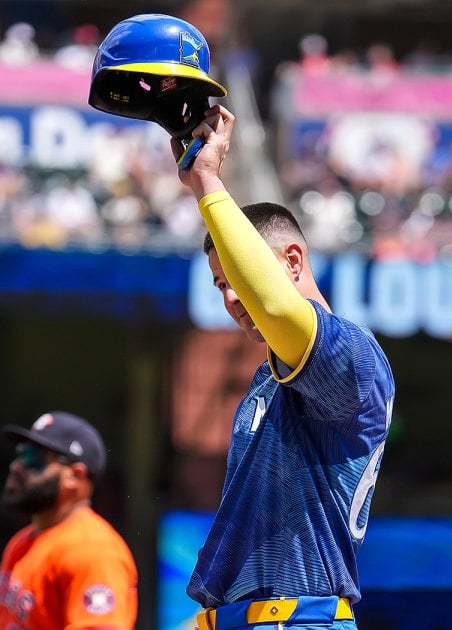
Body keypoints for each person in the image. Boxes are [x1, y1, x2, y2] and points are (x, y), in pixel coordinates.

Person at [172, 104, 395, 630]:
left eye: (239, 280)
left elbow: (275, 307)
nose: (230, 296)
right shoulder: (266, 377)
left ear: (292, 261)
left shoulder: (353, 355)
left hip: (299, 620)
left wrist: (206, 182)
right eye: (220, 284)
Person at [0, 411, 138, 629]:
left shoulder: (92, 550)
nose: (17, 466)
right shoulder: (21, 542)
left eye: (33, 457)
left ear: (75, 476)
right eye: (20, 453)